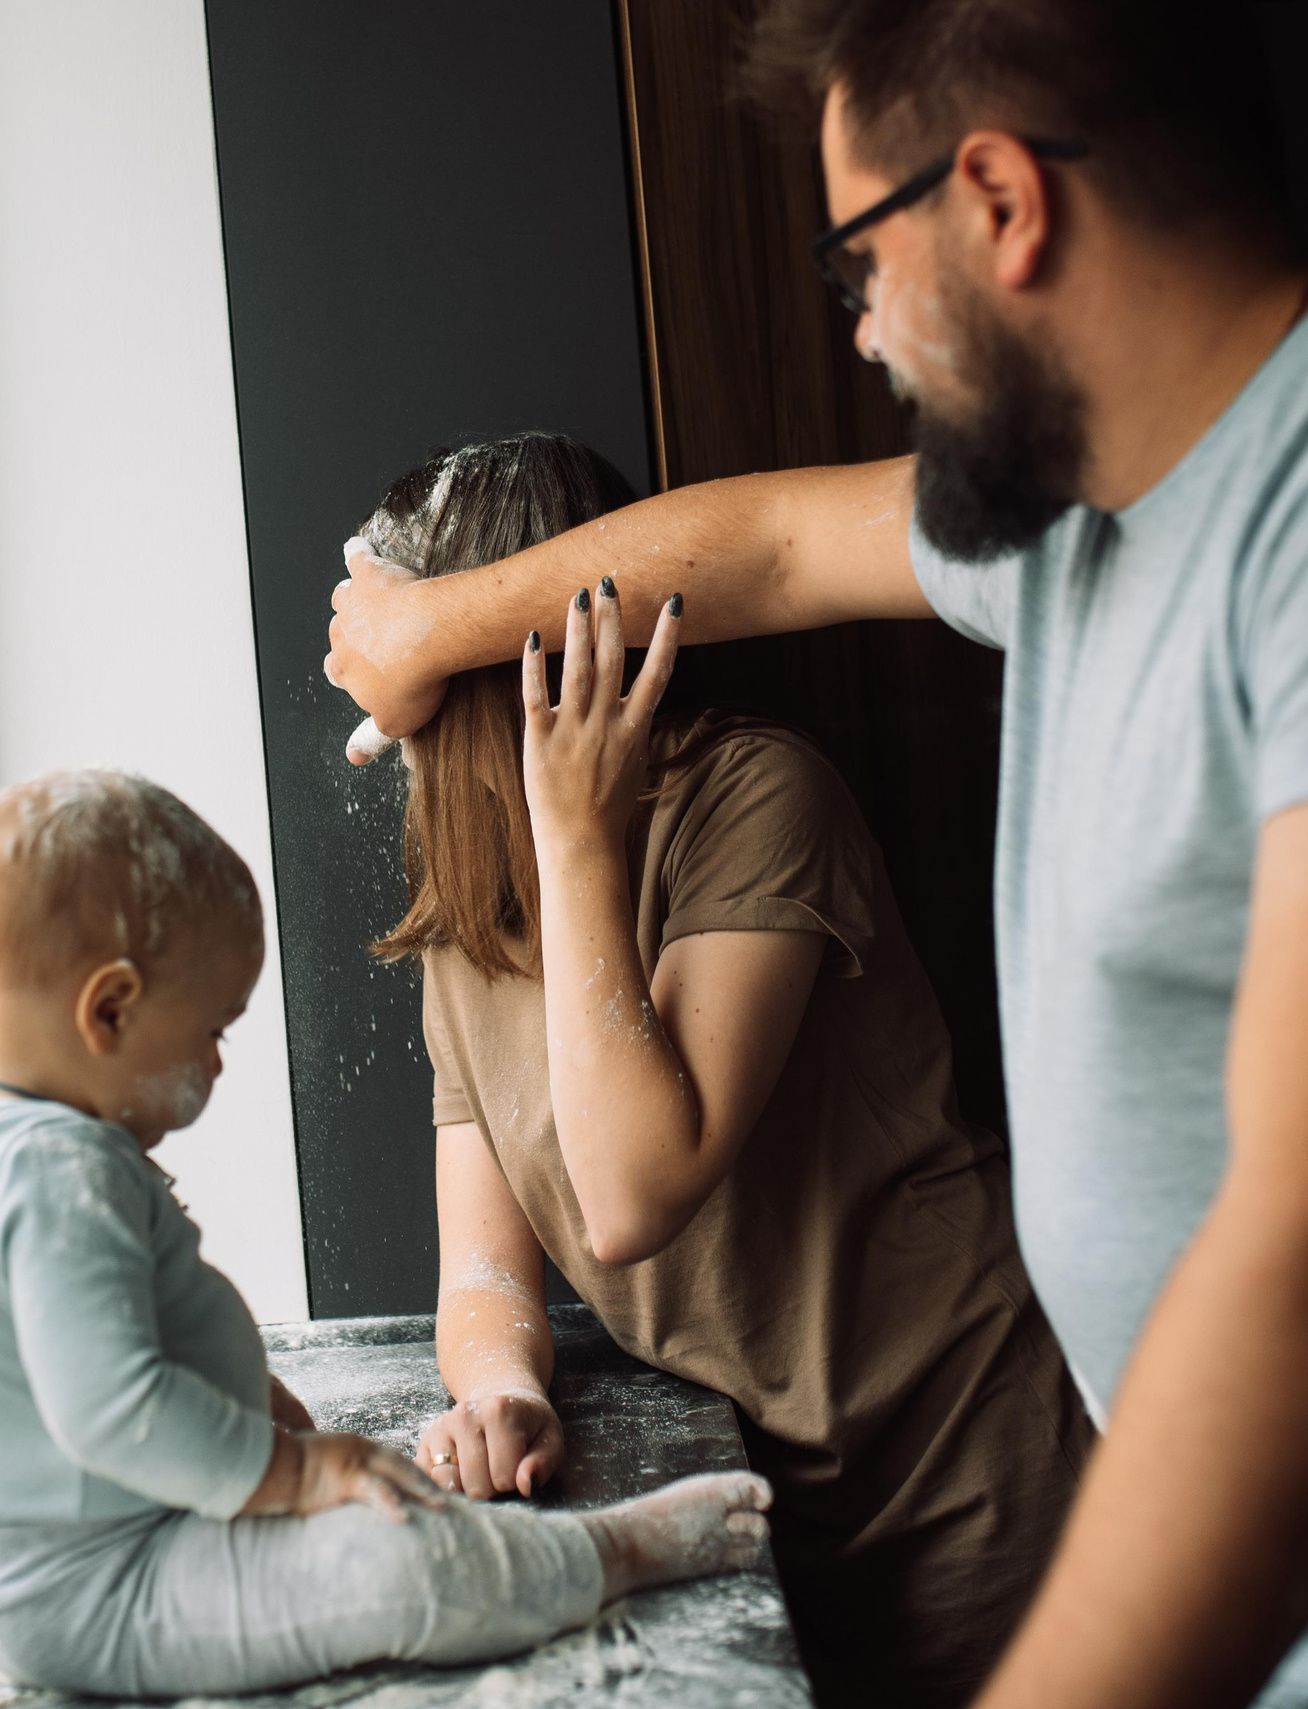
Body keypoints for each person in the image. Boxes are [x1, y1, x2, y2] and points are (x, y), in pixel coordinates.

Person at [322, 2, 1308, 1704]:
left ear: (1001, 201)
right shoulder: (1074, 522)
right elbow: (758, 545)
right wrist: (427, 632)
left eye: (861, 267)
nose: (864, 336)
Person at [352, 433, 1090, 1708]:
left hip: (966, 1471)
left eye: (395, 662)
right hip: (769, 1505)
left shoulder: (755, 793)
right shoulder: (463, 916)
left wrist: (576, 843)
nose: (373, 709)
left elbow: (632, 1191)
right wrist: (504, 1387)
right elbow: (481, 1267)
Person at [0, 768, 770, 1698]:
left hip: (79, 1536)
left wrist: (250, 1409)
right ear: (108, 1009)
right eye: (213, 1030)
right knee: (397, 1562)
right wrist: (300, 1472)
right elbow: (121, 1415)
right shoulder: (54, 1176)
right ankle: (608, 1551)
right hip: (113, 1589)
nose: (218, 1062)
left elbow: (69, 1354)